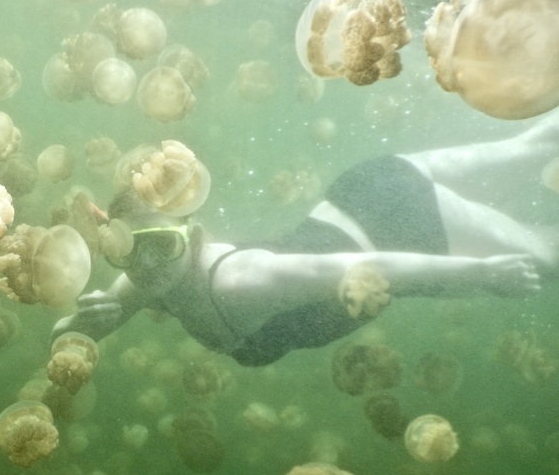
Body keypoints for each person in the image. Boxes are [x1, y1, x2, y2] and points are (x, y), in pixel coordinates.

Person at [52, 118, 559, 367]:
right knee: (527, 148)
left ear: (186, 228)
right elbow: (74, 334)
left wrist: (484, 274)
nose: (145, 265)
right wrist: (82, 324)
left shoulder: (240, 282)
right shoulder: (148, 276)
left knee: (547, 253)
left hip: (397, 224)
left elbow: (368, 267)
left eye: (159, 245)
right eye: (124, 248)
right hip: (364, 189)